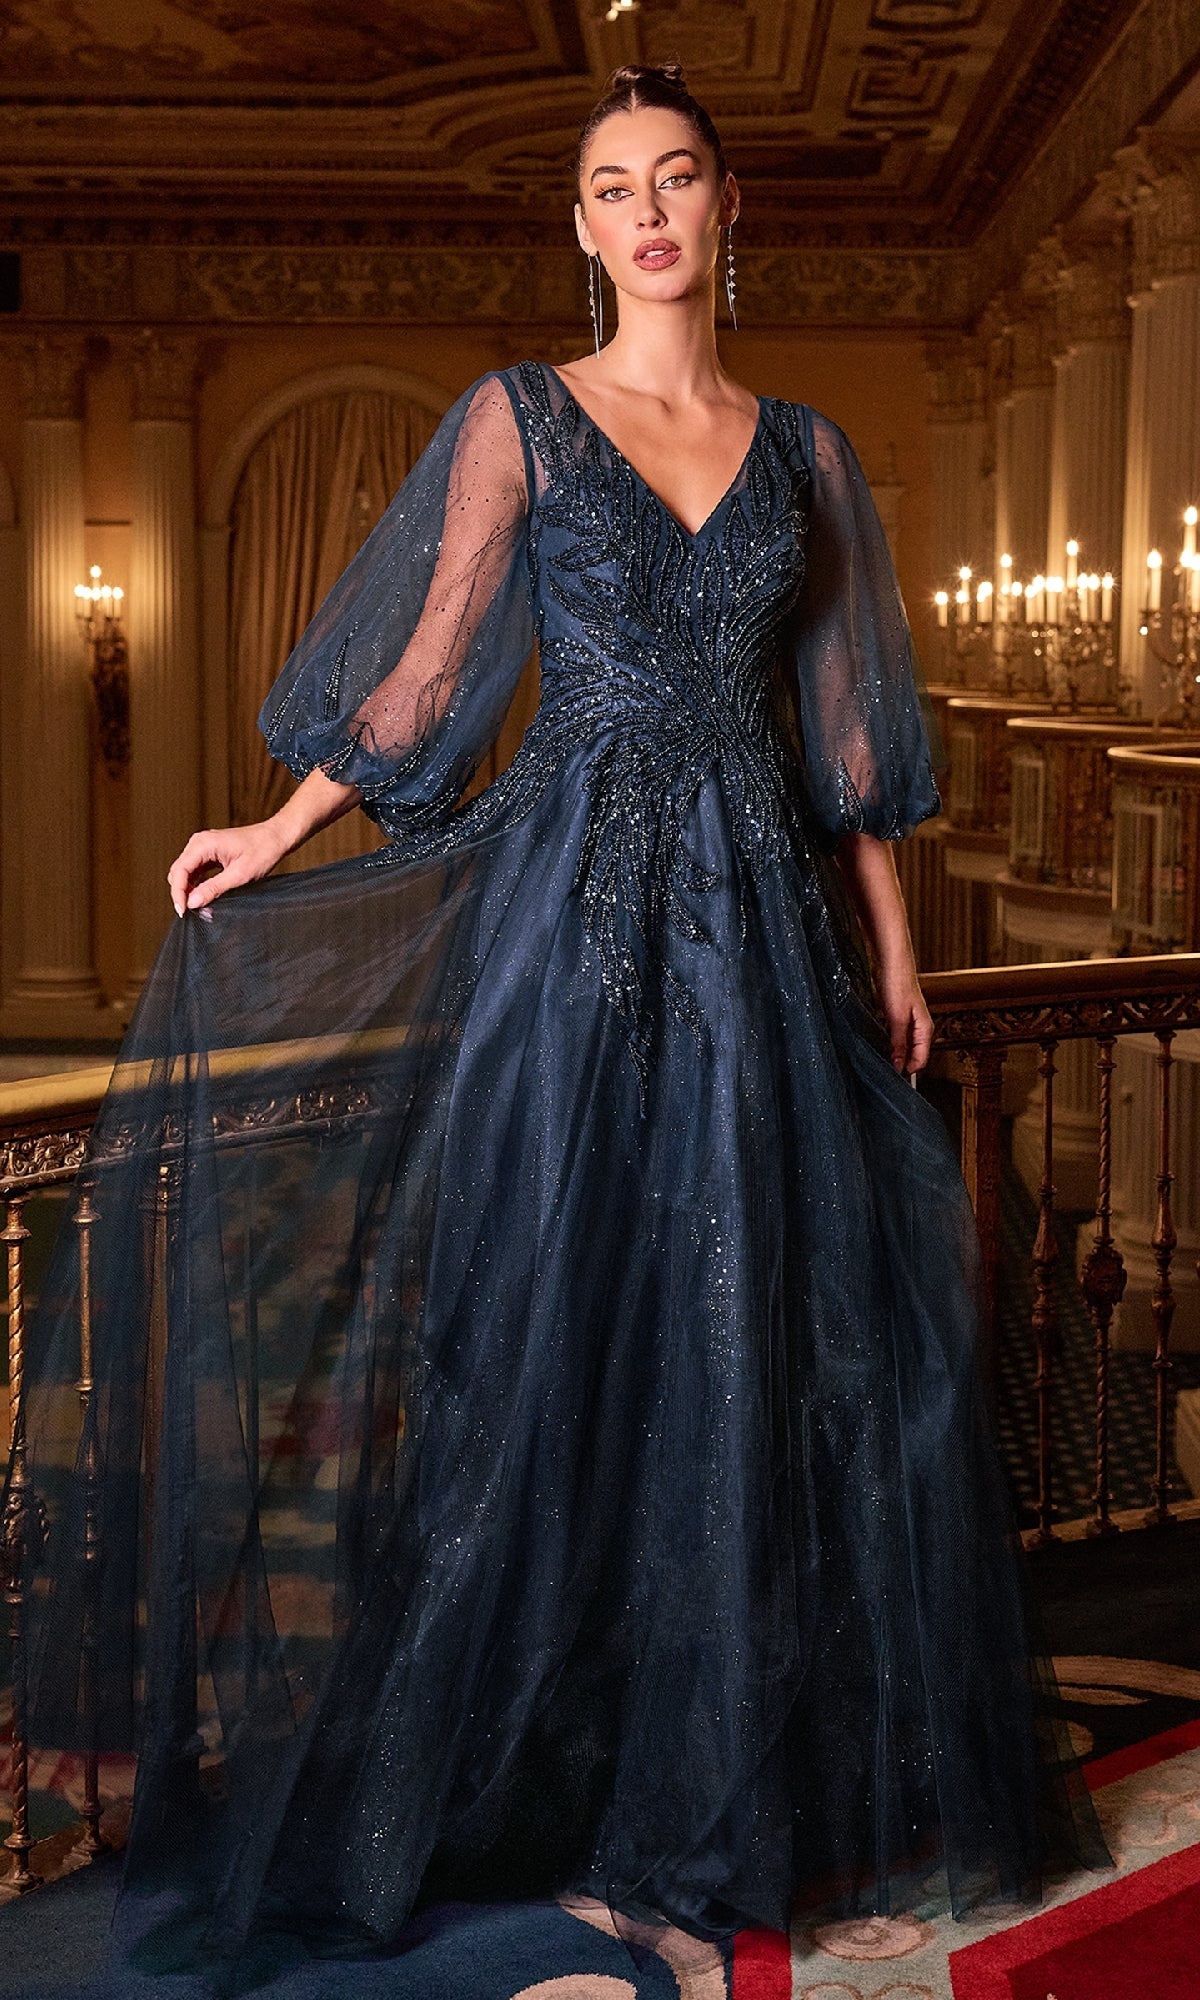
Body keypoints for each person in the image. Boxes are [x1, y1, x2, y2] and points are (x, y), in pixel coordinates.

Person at [7, 61, 1108, 1995]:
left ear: (729, 206)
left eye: (677, 177)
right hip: (573, 922)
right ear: (580, 226)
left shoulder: (805, 453)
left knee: (755, 1342)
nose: (649, 213)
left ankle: (720, 1796)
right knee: (561, 1333)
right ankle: (576, 1782)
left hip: (760, 931)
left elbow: (841, 738)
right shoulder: (519, 416)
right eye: (614, 187)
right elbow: (428, 679)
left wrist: (898, 951)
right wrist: (274, 829)